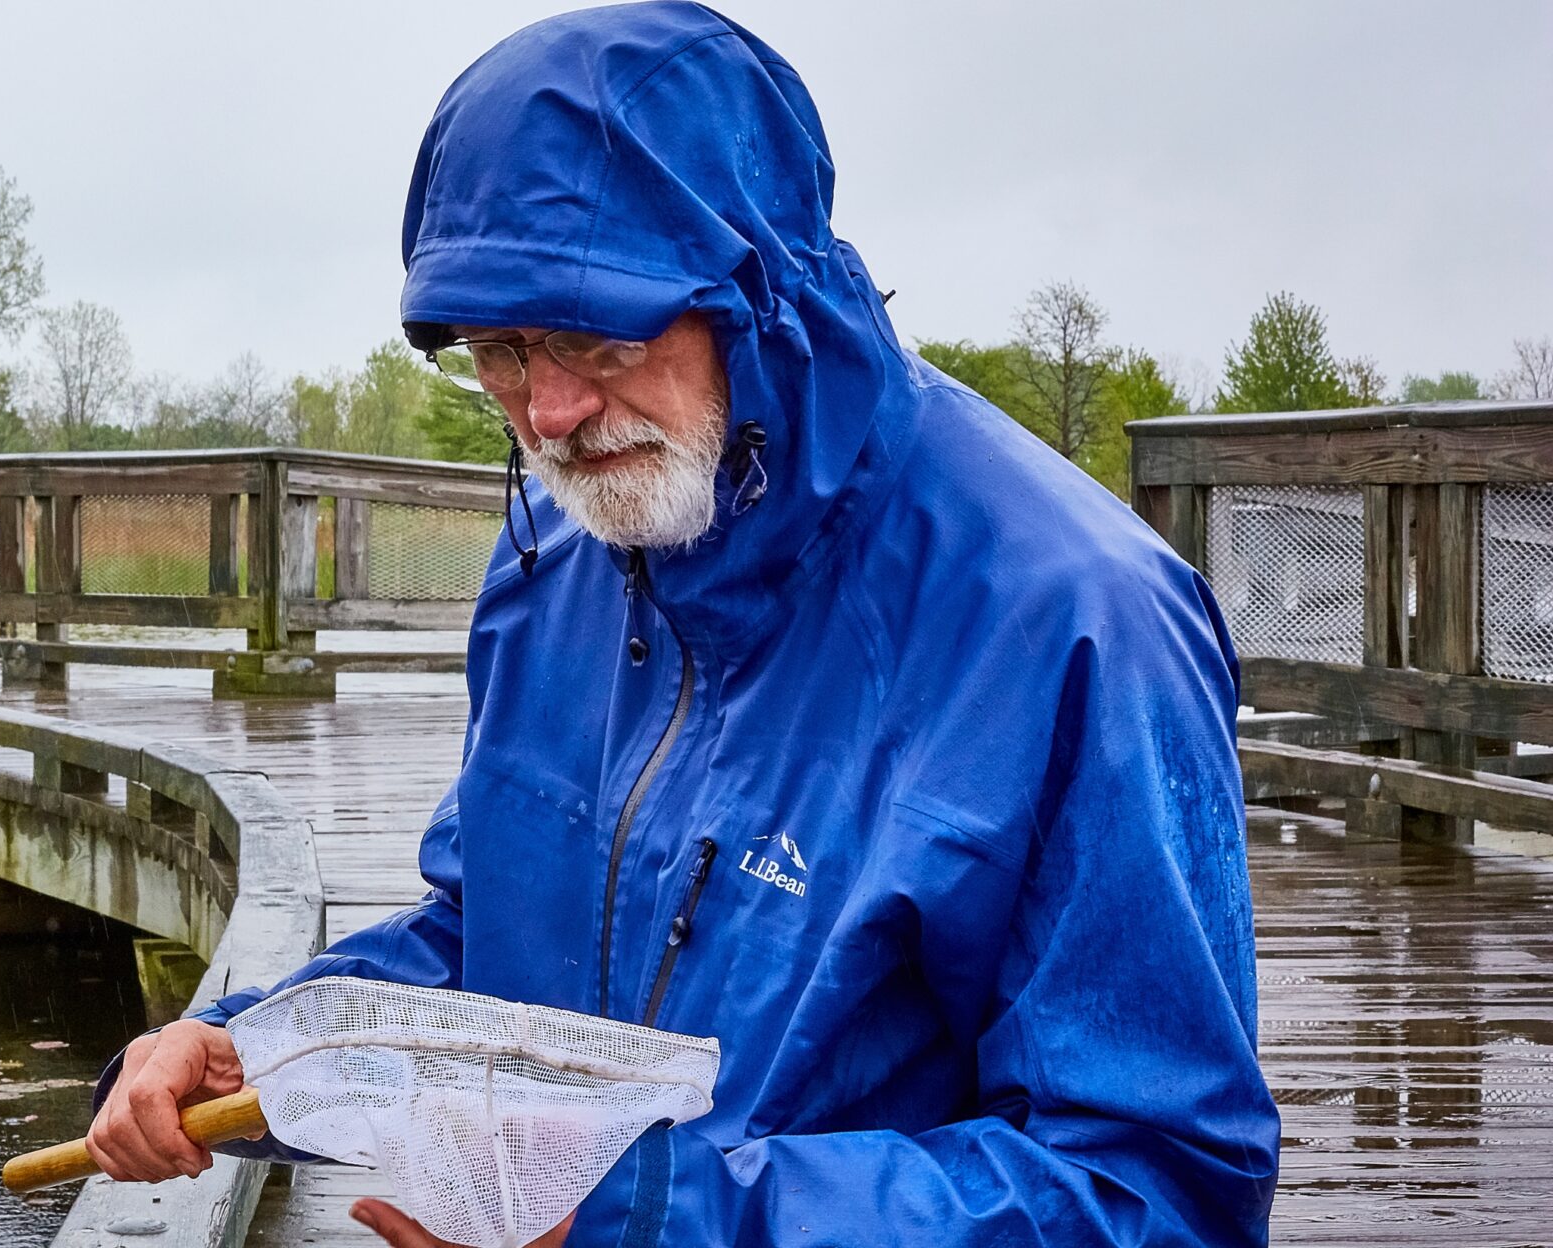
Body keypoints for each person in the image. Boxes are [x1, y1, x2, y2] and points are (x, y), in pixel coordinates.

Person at [87, 7, 1279, 1248]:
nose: (547, 412)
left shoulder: (1079, 621)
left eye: (595, 333)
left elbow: (1158, 1192)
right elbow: (483, 942)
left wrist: (663, 1222)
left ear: (758, 290)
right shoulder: (560, 551)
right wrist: (264, 1050)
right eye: (498, 349)